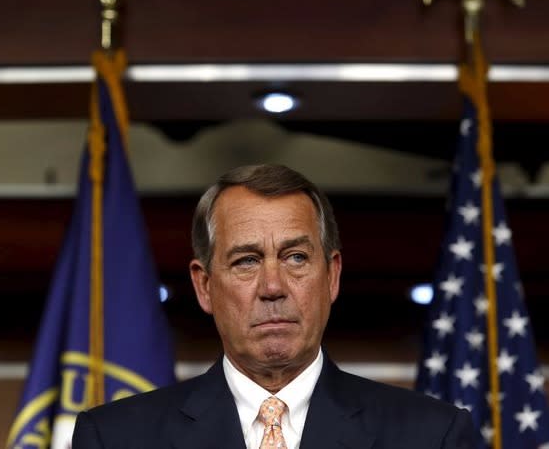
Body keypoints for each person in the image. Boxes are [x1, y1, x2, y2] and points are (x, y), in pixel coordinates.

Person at [72, 164, 477, 448]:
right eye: (246, 261)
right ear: (205, 286)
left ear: (332, 276)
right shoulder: (116, 437)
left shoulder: (432, 435)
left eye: (296, 258)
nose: (272, 287)